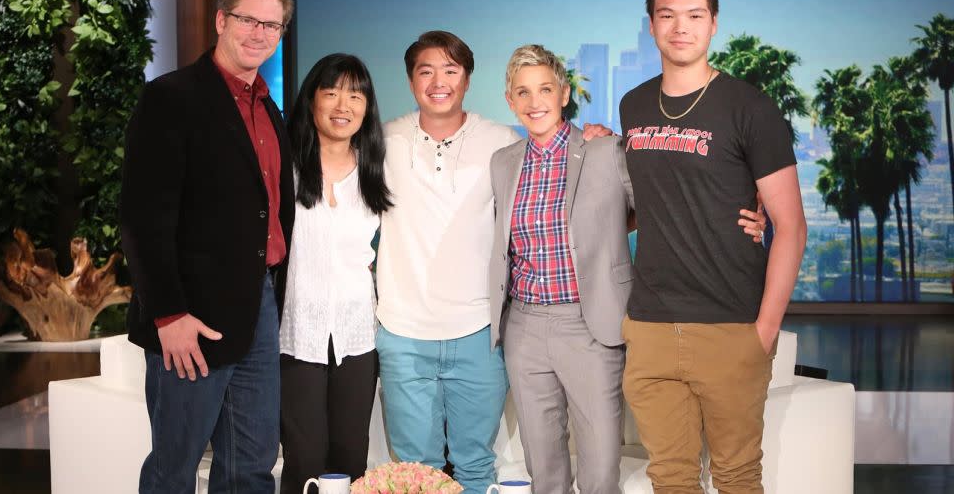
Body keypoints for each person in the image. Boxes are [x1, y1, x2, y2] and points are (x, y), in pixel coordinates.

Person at [489, 44, 766, 494]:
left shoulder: (605, 150)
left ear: (563, 94)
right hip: (524, 326)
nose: (534, 101)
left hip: (589, 322)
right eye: (522, 92)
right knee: (544, 469)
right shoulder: (503, 163)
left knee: (599, 471)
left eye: (544, 89)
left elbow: (665, 203)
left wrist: (755, 208)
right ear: (510, 101)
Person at [373, 30, 611, 494]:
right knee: (413, 474)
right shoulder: (382, 141)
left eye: (451, 70)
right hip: (403, 335)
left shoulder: (502, 143)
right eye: (426, 71)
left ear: (467, 80)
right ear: (410, 81)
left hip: (479, 334)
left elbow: (580, 200)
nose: (439, 81)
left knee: (476, 467)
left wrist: (597, 136)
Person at [619, 0, 807, 494]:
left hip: (730, 327)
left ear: (713, 24)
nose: (681, 27)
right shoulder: (633, 106)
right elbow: (647, 197)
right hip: (651, 326)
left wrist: (763, 333)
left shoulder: (750, 108)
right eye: (668, 15)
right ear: (652, 24)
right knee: (671, 479)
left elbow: (791, 227)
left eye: (694, 15)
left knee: (736, 477)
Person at [120, 0, 295, 493]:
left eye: (272, 25)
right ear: (221, 20)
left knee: (252, 462)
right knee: (176, 466)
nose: (259, 33)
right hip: (190, 315)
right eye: (248, 19)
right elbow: (143, 217)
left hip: (259, 307)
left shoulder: (267, 107)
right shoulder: (171, 97)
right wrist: (168, 313)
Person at [278, 54, 392, 493]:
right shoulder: (284, 168)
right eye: (331, 93)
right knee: (303, 461)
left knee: (350, 460)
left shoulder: (377, 170)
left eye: (355, 95)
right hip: (296, 337)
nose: (343, 105)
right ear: (311, 101)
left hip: (359, 336)